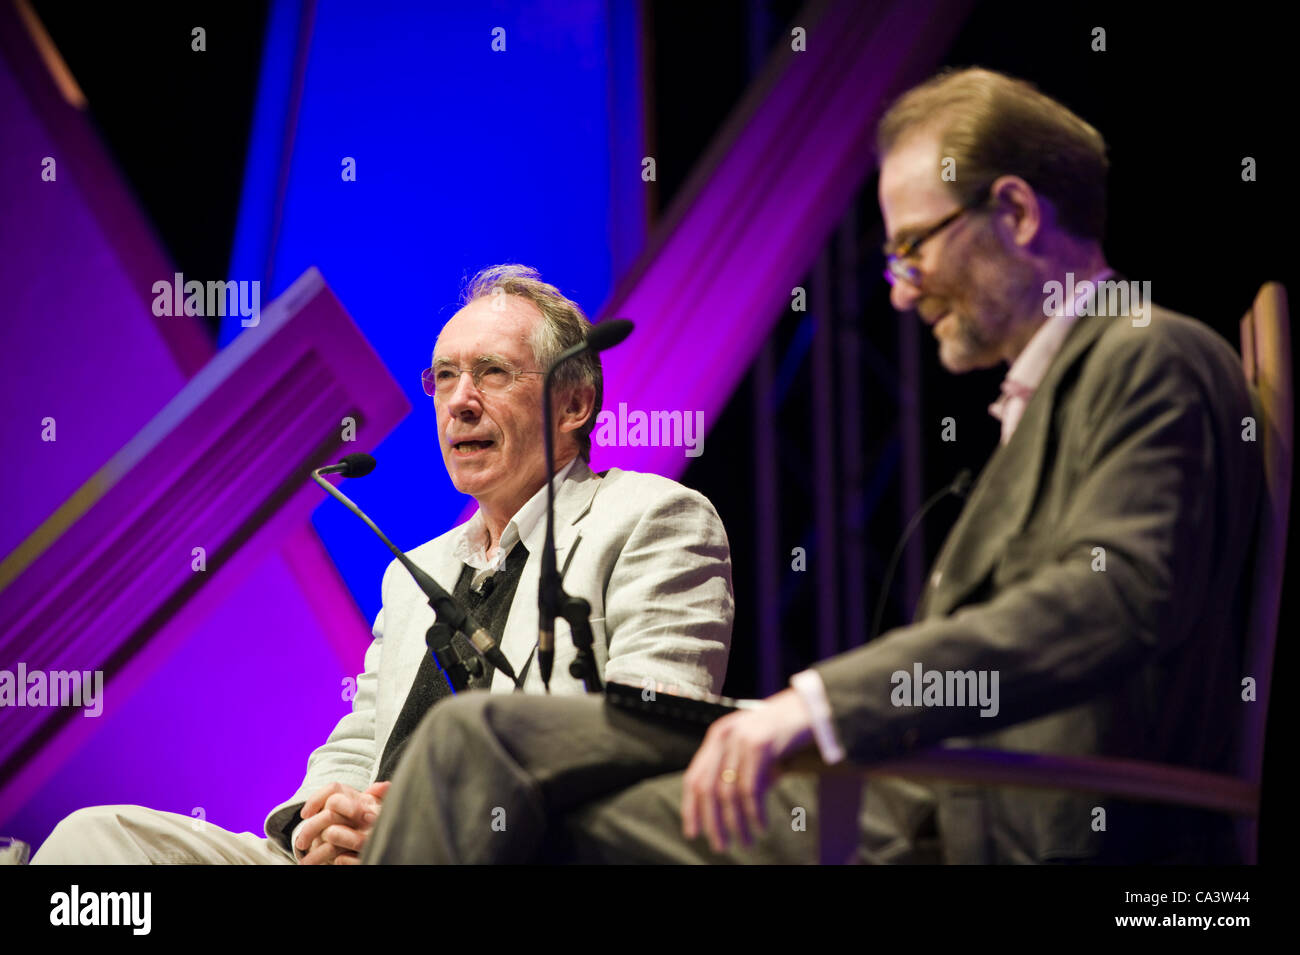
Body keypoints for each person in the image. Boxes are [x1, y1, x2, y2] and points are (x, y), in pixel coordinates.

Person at [361, 68, 1263, 865]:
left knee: (479, 748)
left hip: (1016, 822)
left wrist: (823, 705)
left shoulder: (1149, 355)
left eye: (914, 245)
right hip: (941, 797)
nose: (899, 286)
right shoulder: (1070, 389)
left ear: (1018, 213)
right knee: (522, 798)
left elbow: (1114, 598)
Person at [31, 264, 734, 864]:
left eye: (492, 372)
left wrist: (427, 822)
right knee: (95, 842)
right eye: (446, 376)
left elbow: (655, 738)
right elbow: (361, 737)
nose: (460, 401)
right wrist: (322, 817)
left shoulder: (652, 519)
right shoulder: (412, 574)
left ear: (575, 401)